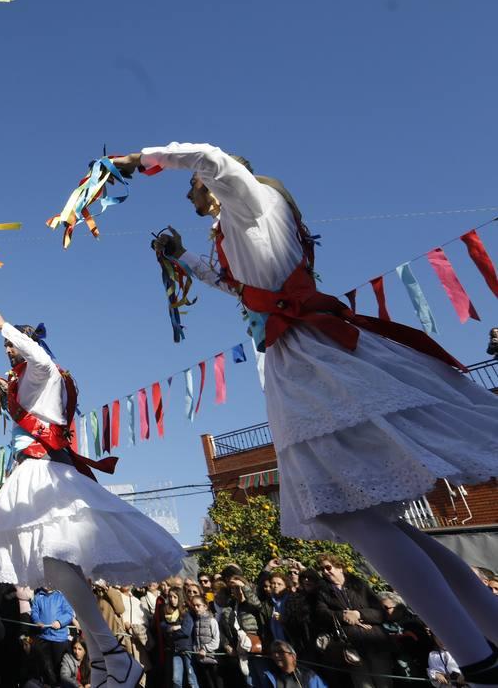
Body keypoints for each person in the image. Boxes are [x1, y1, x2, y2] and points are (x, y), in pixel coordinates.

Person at [115, 144, 498, 684]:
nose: (188, 192)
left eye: (193, 185)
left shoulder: (251, 198)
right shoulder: (245, 225)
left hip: (314, 358)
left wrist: (142, 159)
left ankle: (479, 660)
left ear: (215, 180)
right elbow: (239, 289)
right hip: (299, 358)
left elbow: (207, 155)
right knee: (375, 522)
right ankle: (488, 642)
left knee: (356, 517)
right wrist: (183, 259)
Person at [0, 309, 183, 688]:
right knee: (61, 571)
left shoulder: (45, 369)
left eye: (13, 344)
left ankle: (116, 657)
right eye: (6, 345)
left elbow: (40, 360)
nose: (8, 349)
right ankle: (107, 663)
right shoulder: (28, 380)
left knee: (57, 566)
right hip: (34, 471)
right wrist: (8, 394)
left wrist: (1, 324)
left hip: (46, 473)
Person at [312, 554, 394, 688]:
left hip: (375, 643)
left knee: (384, 683)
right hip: (351, 648)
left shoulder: (359, 585)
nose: (325, 572)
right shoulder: (322, 591)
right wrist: (343, 615)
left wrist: (358, 614)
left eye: (328, 567)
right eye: (322, 569)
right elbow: (322, 615)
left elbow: (380, 612)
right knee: (363, 685)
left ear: (339, 567)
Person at [30, 585, 75, 687]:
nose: (46, 584)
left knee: (60, 669)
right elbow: (34, 611)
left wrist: (60, 622)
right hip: (44, 638)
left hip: (59, 639)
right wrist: (37, 621)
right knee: (47, 669)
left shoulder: (61, 596)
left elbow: (69, 613)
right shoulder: (38, 596)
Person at [263, 640, 329, 688]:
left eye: (280, 651)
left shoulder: (308, 676)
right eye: (274, 652)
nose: (276, 655)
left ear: (293, 656)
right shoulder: (272, 678)